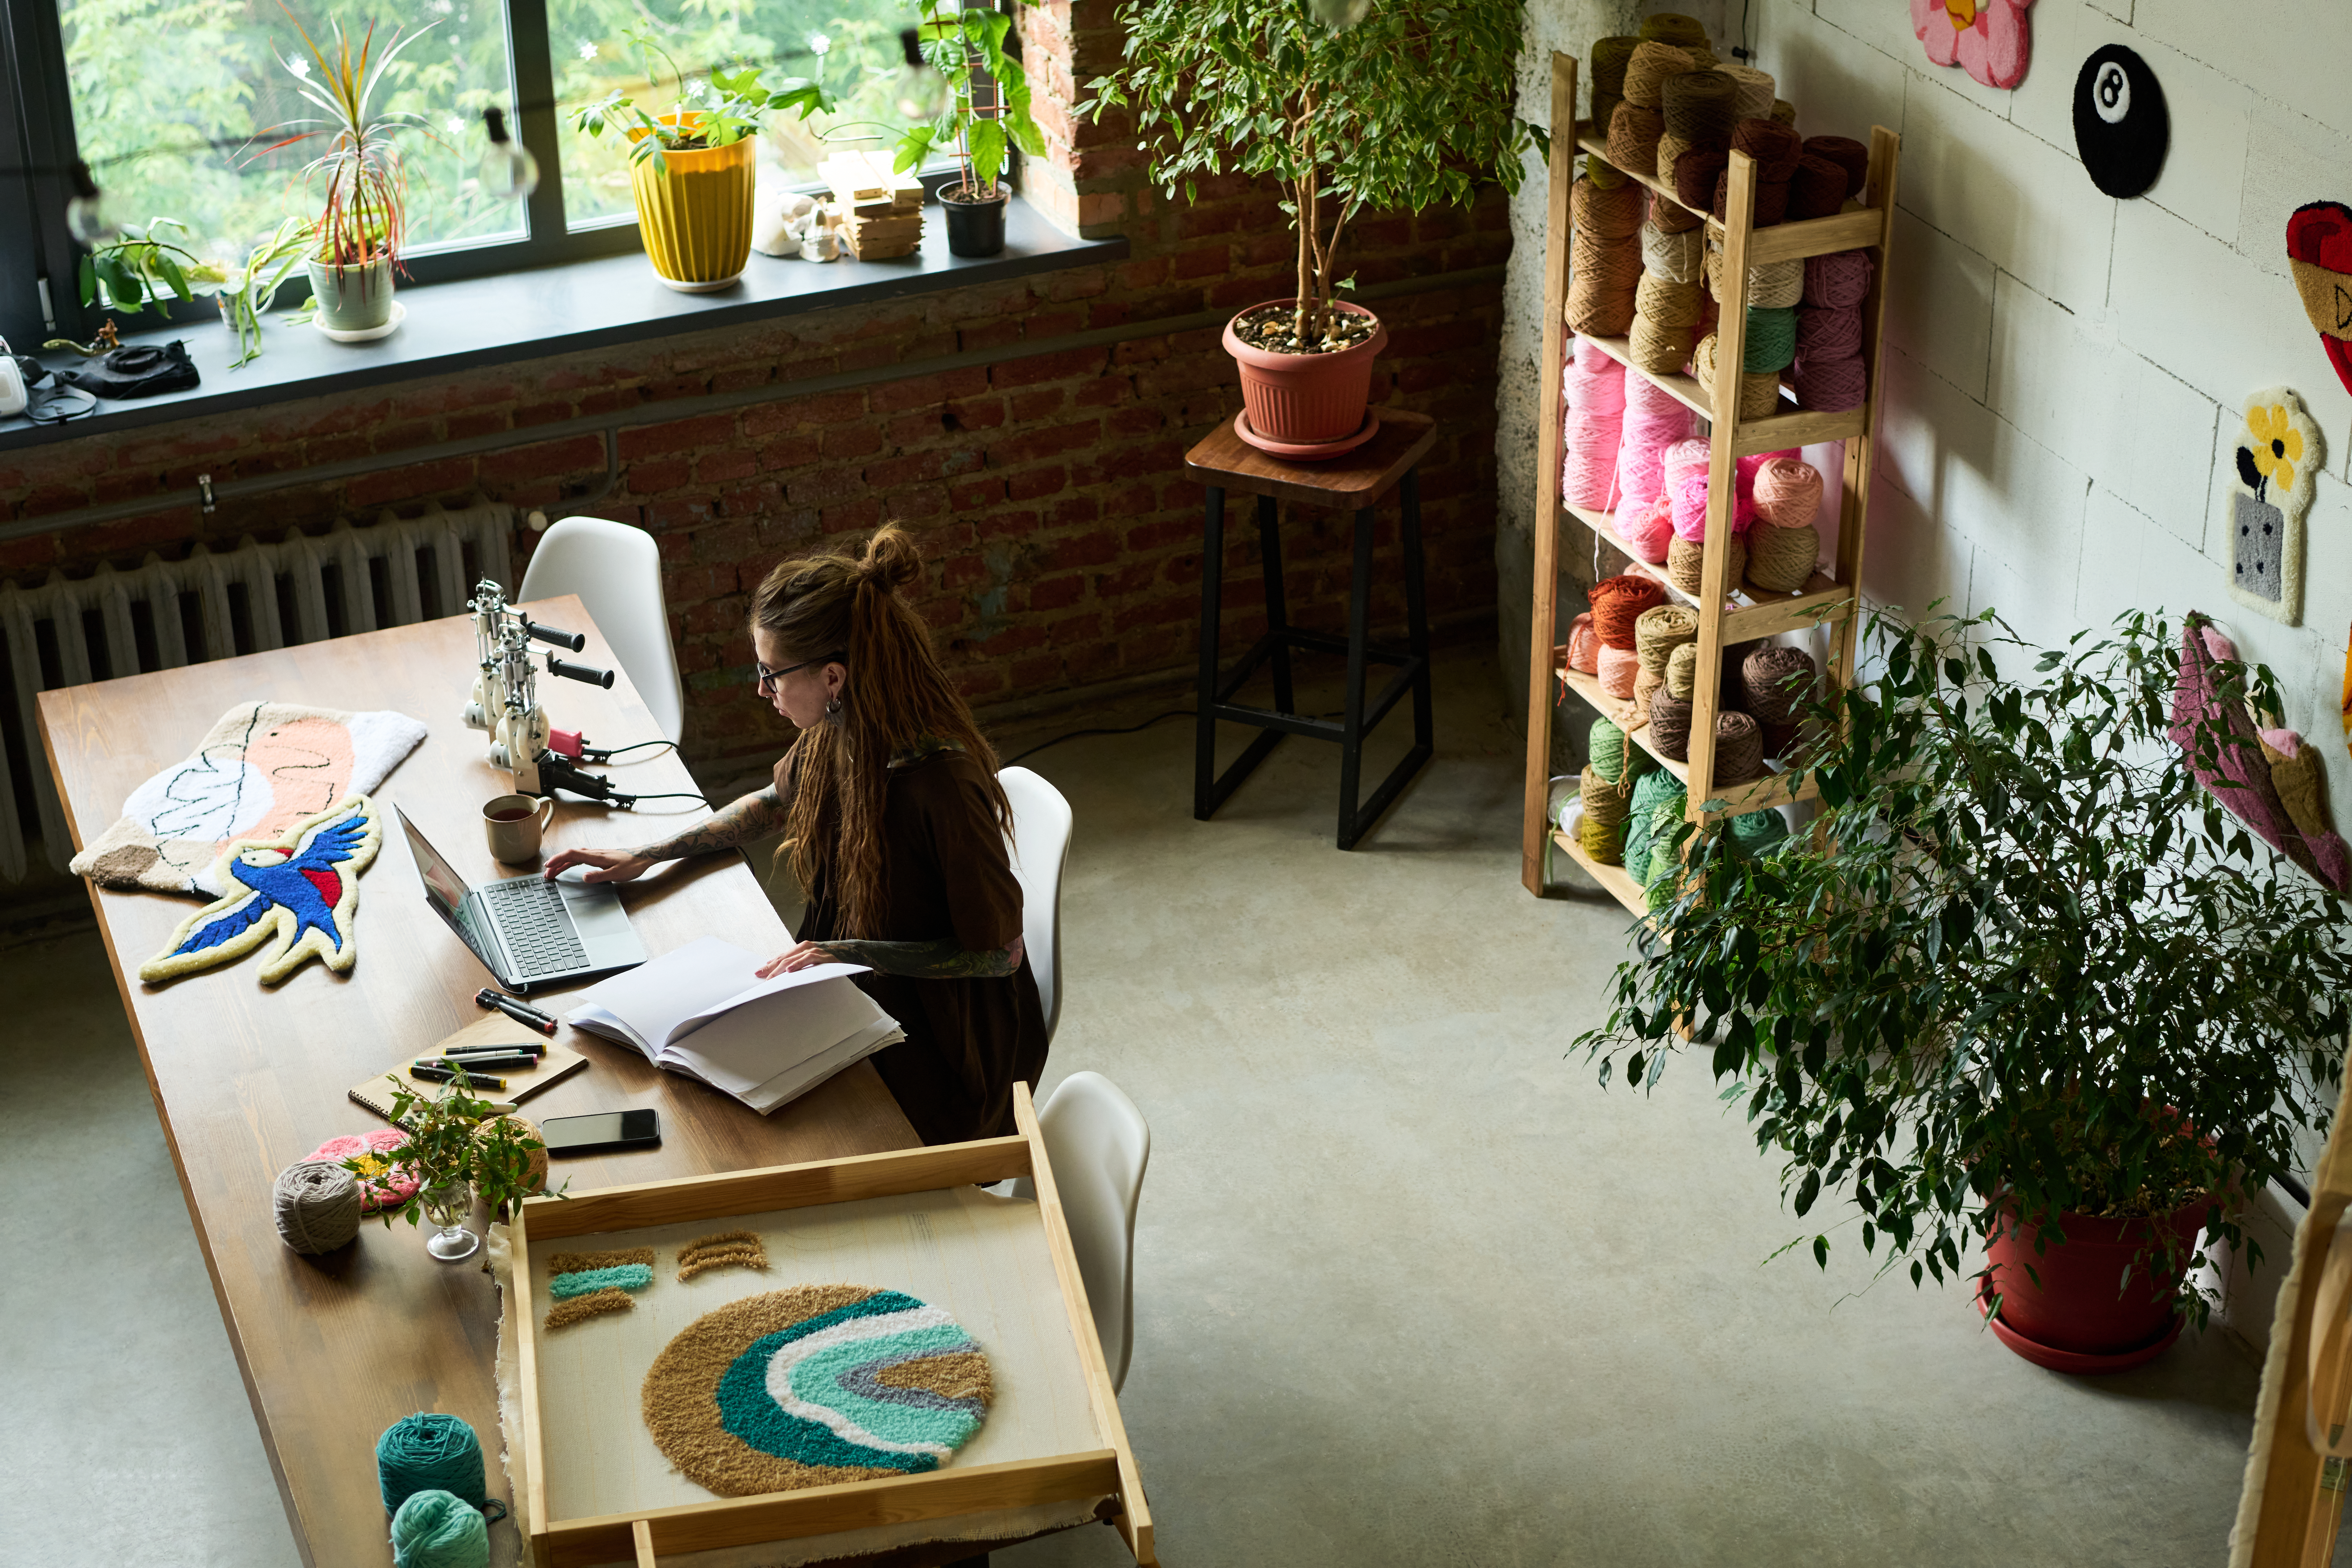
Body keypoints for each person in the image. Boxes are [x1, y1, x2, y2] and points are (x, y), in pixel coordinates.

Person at [542, 526, 1049, 1144]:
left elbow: (999, 954)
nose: (762, 690)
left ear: (833, 678)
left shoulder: (941, 786)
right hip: (859, 993)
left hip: (947, 1051)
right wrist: (648, 854)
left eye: (772, 674)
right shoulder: (845, 728)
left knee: (775, 1135)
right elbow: (776, 802)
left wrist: (853, 952)